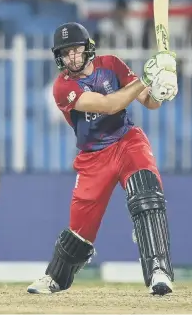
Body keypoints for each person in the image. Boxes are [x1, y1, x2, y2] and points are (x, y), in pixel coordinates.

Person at [26, 22, 178, 296]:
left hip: (127, 140)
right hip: (93, 156)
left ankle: (159, 271)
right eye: (66, 52)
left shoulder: (112, 65)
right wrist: (146, 78)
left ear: (88, 48)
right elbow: (110, 105)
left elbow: (149, 102)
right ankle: (56, 278)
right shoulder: (63, 87)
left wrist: (161, 87)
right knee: (79, 230)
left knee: (147, 197)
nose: (72, 57)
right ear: (58, 56)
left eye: (76, 49)